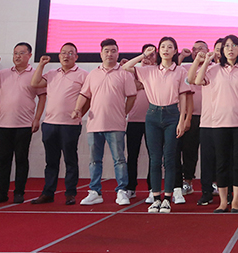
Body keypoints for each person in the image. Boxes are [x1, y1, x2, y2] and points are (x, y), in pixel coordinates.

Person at [123, 37, 194, 213]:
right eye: (163, 47)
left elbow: (183, 96)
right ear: (158, 51)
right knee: (154, 159)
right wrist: (143, 55)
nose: (166, 50)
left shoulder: (180, 71)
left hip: (172, 115)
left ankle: (167, 198)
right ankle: (156, 198)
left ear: (175, 51)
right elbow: (126, 67)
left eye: (170, 47)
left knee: (169, 158)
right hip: (153, 115)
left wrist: (182, 120)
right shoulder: (148, 70)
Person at [189, 35, 238, 213]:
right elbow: (197, 81)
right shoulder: (213, 69)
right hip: (218, 123)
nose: (230, 49)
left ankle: (236, 201)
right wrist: (206, 61)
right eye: (227, 46)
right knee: (221, 162)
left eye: (234, 45)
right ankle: (223, 201)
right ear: (222, 50)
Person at [72, 38, 137, 206]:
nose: (110, 54)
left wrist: (123, 113)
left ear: (118, 53)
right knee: (94, 160)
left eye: (113, 51)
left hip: (116, 124)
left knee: (119, 160)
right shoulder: (93, 74)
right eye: (106, 51)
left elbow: (132, 96)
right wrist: (77, 109)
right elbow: (84, 94)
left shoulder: (124, 73)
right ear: (101, 54)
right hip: (94, 124)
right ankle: (95, 192)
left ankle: (121, 190)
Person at [0, 42, 45, 204]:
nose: (17, 56)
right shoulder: (3, 73)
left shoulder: (35, 74)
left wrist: (37, 118)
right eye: (15, 53)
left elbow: (42, 97)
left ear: (29, 55)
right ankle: (2, 193)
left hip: (24, 125)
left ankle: (19, 192)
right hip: (4, 124)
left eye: (22, 53)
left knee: (21, 160)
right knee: (4, 160)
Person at [30, 43, 87, 205]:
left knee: (70, 160)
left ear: (76, 57)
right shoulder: (51, 73)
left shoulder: (83, 75)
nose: (66, 56)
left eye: (70, 53)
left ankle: (70, 193)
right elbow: (35, 83)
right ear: (59, 56)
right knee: (51, 161)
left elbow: (88, 97)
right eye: (63, 53)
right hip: (49, 124)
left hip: (70, 125)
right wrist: (41, 65)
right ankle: (48, 193)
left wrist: (80, 113)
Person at [122, 43, 154, 204]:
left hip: (153, 121)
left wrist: (142, 84)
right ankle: (130, 187)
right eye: (147, 54)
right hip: (134, 120)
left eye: (152, 55)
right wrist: (142, 58)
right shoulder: (135, 71)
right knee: (132, 155)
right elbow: (126, 72)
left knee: (154, 156)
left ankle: (152, 188)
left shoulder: (157, 72)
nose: (149, 58)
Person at [196, 39, 224, 206]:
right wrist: (205, 61)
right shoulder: (208, 68)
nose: (220, 52)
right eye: (218, 49)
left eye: (223, 48)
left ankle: (225, 192)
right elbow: (193, 79)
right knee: (206, 159)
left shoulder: (234, 69)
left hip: (226, 122)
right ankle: (206, 192)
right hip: (207, 121)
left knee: (223, 160)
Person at [177, 41, 207, 198]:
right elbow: (173, 70)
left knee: (211, 152)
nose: (197, 52)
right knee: (189, 151)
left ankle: (213, 183)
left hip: (210, 116)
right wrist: (182, 56)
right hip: (191, 116)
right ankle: (187, 181)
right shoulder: (186, 68)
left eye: (201, 49)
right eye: (194, 49)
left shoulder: (214, 67)